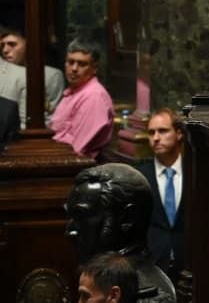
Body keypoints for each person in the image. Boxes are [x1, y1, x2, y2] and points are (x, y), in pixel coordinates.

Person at [65, 163, 176, 303]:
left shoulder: (146, 294)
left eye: (83, 216)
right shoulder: (102, 278)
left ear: (127, 218)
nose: (70, 231)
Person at [136, 109, 188, 281]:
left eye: (163, 131)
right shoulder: (139, 176)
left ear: (179, 134)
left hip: (190, 266)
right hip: (152, 267)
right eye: (151, 133)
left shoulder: (195, 172)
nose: (156, 138)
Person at [50, 38, 115, 159]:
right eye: (70, 62)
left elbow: (77, 151)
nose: (74, 68)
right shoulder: (75, 91)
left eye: (82, 64)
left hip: (73, 165)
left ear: (94, 68)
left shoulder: (94, 96)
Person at [1, 26, 65, 111]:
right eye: (2, 45)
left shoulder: (51, 75)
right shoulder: (3, 73)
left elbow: (53, 114)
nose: (5, 50)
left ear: (28, 44)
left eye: (12, 44)